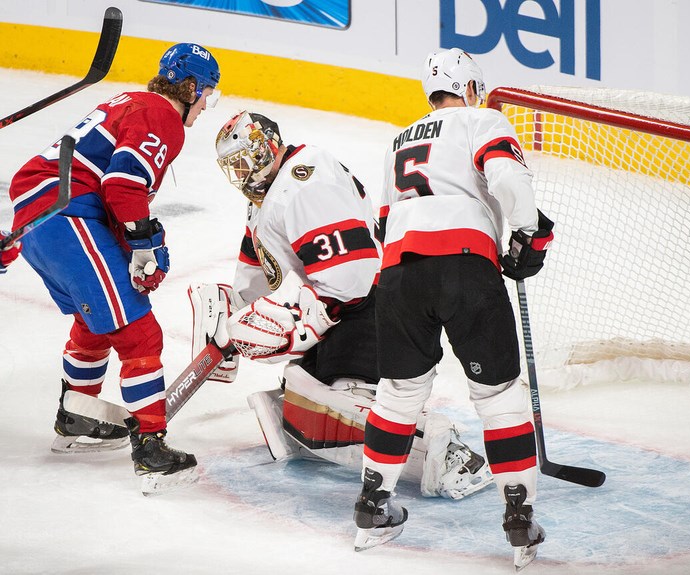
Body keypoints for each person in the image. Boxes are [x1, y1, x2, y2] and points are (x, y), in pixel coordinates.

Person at [191, 110, 492, 499]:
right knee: (303, 394)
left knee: (343, 399)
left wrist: (299, 321)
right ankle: (326, 405)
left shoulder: (306, 183)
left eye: (246, 160)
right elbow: (257, 265)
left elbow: (354, 272)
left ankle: (447, 453)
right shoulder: (265, 196)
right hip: (342, 307)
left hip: (369, 306)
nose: (242, 173)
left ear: (267, 148)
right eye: (234, 167)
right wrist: (237, 315)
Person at [351, 48, 553, 568]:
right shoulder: (482, 118)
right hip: (465, 269)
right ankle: (519, 520)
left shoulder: (400, 139)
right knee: (499, 393)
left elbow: (381, 222)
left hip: (397, 275)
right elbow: (507, 179)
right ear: (470, 88)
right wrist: (528, 232)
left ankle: (373, 508)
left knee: (399, 393)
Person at [6, 42, 221, 492]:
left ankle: (78, 416)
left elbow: (110, 188)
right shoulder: (162, 115)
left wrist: (138, 237)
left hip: (43, 214)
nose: (206, 106)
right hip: (66, 214)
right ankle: (152, 450)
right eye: (208, 95)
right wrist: (142, 245)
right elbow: (123, 183)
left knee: (99, 319)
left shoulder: (129, 102)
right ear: (189, 86)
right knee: (140, 333)